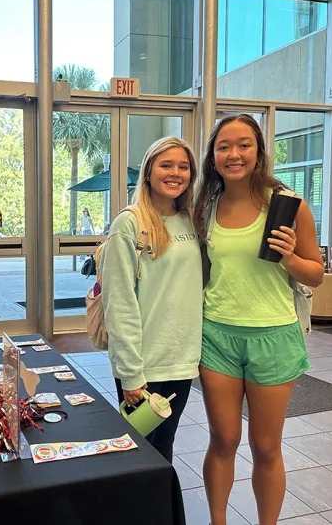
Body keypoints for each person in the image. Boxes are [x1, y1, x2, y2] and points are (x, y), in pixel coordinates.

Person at [193, 114, 324, 525]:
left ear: (259, 151)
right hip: (217, 336)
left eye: (244, 144)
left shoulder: (287, 205)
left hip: (273, 336)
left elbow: (316, 274)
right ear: (213, 156)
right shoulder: (205, 206)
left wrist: (288, 257)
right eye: (224, 146)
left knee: (267, 447)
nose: (234, 154)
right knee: (223, 440)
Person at [101, 136, 203, 463]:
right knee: (139, 455)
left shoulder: (191, 221)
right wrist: (130, 372)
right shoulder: (130, 223)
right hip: (144, 363)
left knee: (164, 447)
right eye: (166, 165)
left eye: (183, 166)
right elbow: (119, 302)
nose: (175, 173)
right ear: (148, 172)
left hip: (182, 359)